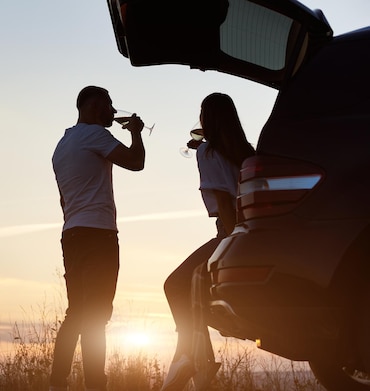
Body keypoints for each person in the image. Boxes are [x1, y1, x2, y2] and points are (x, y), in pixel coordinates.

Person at [49, 86, 146, 391]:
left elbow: (64, 201)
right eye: (108, 106)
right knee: (97, 315)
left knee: (76, 312)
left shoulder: (62, 145)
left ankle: (56, 383)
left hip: (72, 234)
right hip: (99, 234)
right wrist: (137, 133)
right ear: (93, 106)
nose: (113, 112)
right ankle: (96, 385)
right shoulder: (94, 134)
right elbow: (135, 162)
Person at [161, 93, 255, 391]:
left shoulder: (208, 153)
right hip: (252, 230)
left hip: (230, 232)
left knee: (174, 285)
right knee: (193, 292)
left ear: (206, 118)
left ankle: (191, 354)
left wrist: (231, 243)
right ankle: (199, 360)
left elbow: (224, 203)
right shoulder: (247, 152)